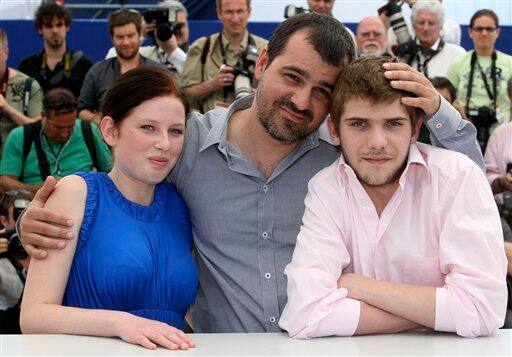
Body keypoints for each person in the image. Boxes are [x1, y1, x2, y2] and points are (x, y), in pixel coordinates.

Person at [18, 13, 483, 333]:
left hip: (327, 346)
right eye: (293, 77)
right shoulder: (188, 145)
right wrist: (34, 223)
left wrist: (440, 110)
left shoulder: (345, 154)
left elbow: (462, 184)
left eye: (323, 90)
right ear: (262, 63)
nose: (303, 102)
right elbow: (122, 190)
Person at [279, 56, 507, 338]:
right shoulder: (326, 187)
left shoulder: (458, 178)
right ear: (335, 130)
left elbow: (483, 309)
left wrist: (359, 286)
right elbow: (304, 315)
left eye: (393, 124)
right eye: (359, 124)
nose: (377, 142)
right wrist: (431, 314)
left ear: (415, 129)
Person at [19, 67, 198, 351]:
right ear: (110, 130)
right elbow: (34, 316)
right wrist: (121, 323)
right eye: (148, 127)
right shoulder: (76, 192)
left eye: (175, 131)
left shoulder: (180, 206)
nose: (164, 143)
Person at [0, 88, 112, 195]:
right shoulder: (20, 136)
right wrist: (35, 189)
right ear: (43, 117)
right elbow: (5, 181)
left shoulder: (89, 131)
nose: (65, 134)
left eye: (70, 127)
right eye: (58, 128)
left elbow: (110, 172)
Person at [180, 0, 267, 112]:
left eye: (240, 11)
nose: (235, 18)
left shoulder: (265, 49)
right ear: (219, 13)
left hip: (251, 126)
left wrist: (248, 90)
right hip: (209, 126)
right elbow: (186, 95)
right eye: (229, 12)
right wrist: (213, 84)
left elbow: (275, 94)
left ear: (249, 12)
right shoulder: (202, 47)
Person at [77, 9, 162, 124]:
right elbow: (82, 110)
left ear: (139, 35)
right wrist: (103, 122)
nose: (126, 42)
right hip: (106, 139)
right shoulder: (97, 71)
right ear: (112, 38)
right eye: (120, 37)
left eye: (130, 36)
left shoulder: (157, 72)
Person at [447, 9, 511, 150]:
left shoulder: (509, 63)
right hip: (465, 134)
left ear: (497, 32)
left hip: (501, 136)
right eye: (479, 29)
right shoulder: (458, 62)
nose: (484, 33)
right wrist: (456, 107)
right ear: (470, 32)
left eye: (489, 29)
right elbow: (446, 98)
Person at [18, 2, 93, 100]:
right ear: (40, 29)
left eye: (59, 25)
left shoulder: (84, 64)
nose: (55, 30)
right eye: (49, 26)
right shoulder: (27, 66)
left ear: (67, 27)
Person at [105, 0, 190, 76]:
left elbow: (195, 76)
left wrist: (174, 52)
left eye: (180, 25)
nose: (175, 30)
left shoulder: (197, 52)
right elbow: (111, 62)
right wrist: (140, 34)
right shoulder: (145, 55)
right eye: (168, 25)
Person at [0, 29, 43, 155]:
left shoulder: (28, 85)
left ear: (6, 52)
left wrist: (7, 108)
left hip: (17, 164)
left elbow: (41, 130)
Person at [400, 0, 465, 78]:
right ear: (413, 25)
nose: (426, 28)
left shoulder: (457, 55)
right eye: (421, 22)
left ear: (441, 26)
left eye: (431, 23)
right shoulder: (404, 55)